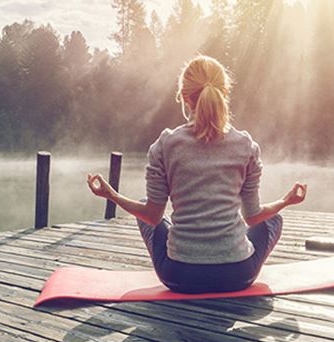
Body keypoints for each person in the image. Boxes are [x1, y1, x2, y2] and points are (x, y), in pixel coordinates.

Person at [87, 55, 307, 294]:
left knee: (146, 208)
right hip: (238, 275)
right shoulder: (246, 145)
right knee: (273, 218)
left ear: (183, 97)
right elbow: (253, 217)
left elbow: (151, 215)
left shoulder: (165, 145)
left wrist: (112, 195)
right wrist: (286, 201)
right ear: (225, 94)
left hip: (179, 276)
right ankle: (230, 248)